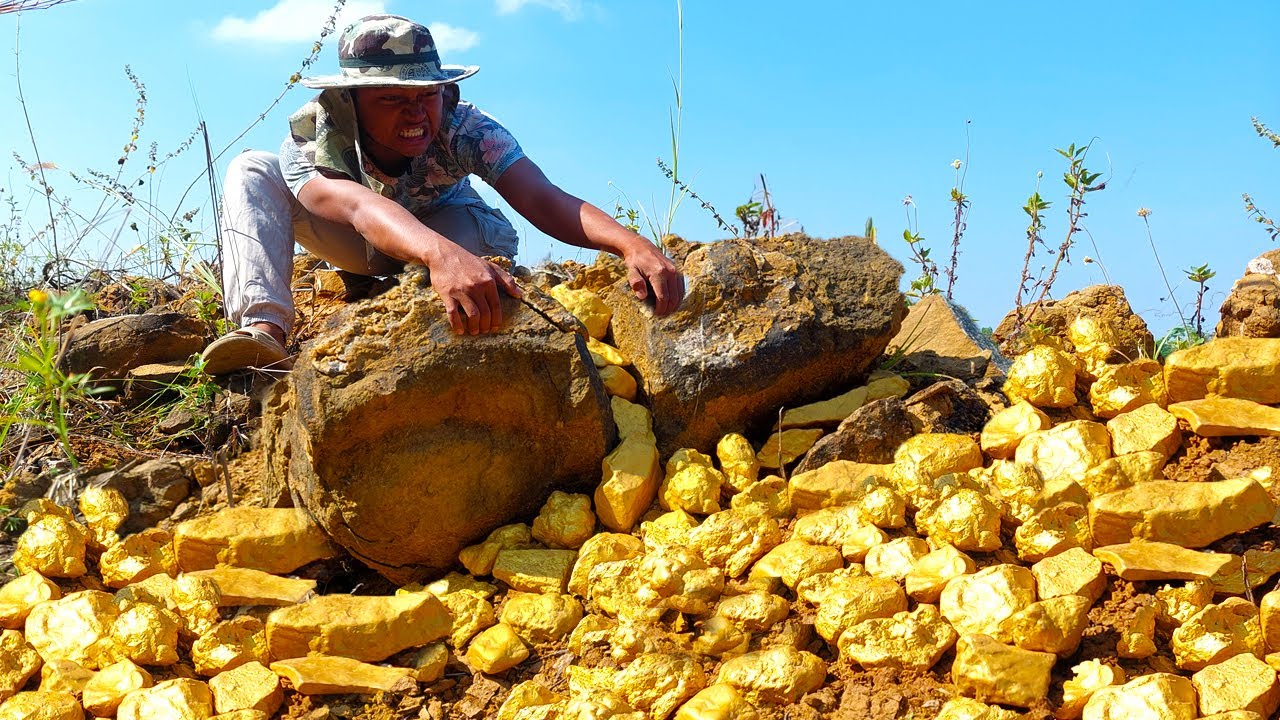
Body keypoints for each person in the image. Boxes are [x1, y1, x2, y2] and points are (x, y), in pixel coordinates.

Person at [201, 14, 684, 375]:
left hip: (448, 224)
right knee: (250, 167)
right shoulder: (314, 135)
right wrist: (437, 257)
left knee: (474, 275)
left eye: (426, 95)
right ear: (350, 101)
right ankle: (263, 333)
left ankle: (399, 288)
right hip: (361, 242)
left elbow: (540, 195)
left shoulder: (467, 126)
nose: (415, 114)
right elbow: (359, 207)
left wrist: (629, 243)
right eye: (392, 99)